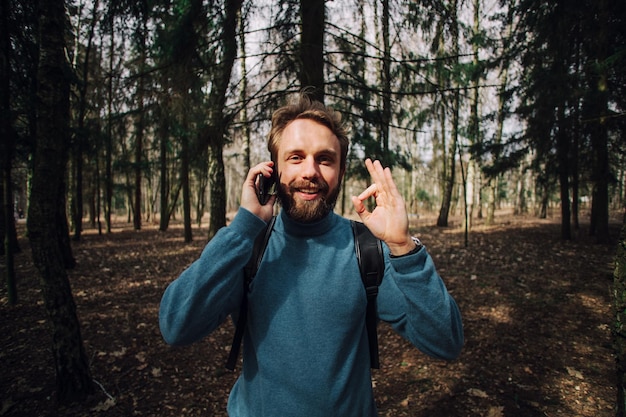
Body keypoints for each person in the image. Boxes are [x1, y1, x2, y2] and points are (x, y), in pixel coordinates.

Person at [159, 93, 464, 417]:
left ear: (341, 171)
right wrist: (243, 227)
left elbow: (445, 342)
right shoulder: (248, 248)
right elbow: (177, 325)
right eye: (295, 157)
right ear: (273, 169)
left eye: (324, 159)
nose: (310, 171)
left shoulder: (369, 250)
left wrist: (404, 247)